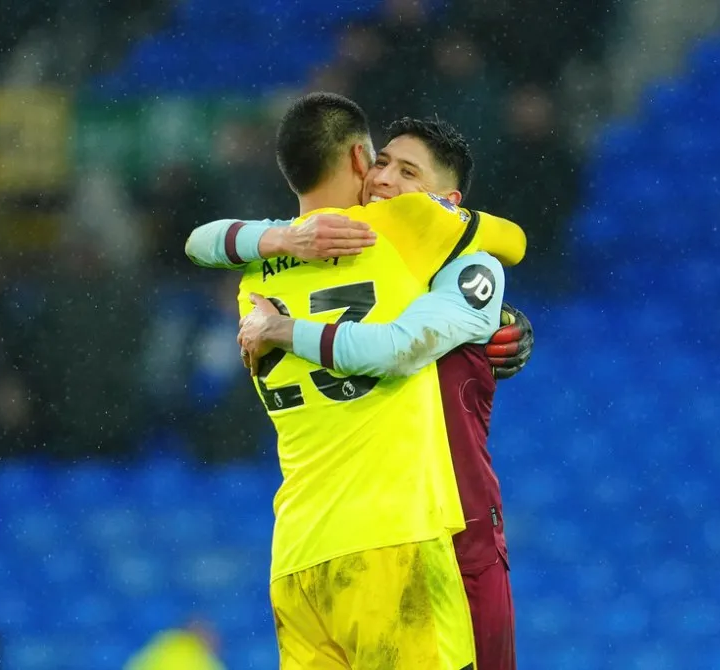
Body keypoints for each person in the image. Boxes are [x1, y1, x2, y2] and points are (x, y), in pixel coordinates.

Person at [187, 116, 529, 669]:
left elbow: (499, 253)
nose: (383, 178)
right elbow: (201, 241)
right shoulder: (341, 248)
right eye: (383, 161)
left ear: (447, 202)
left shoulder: (451, 257)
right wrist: (282, 236)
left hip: (460, 526)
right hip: (395, 530)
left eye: (406, 171)